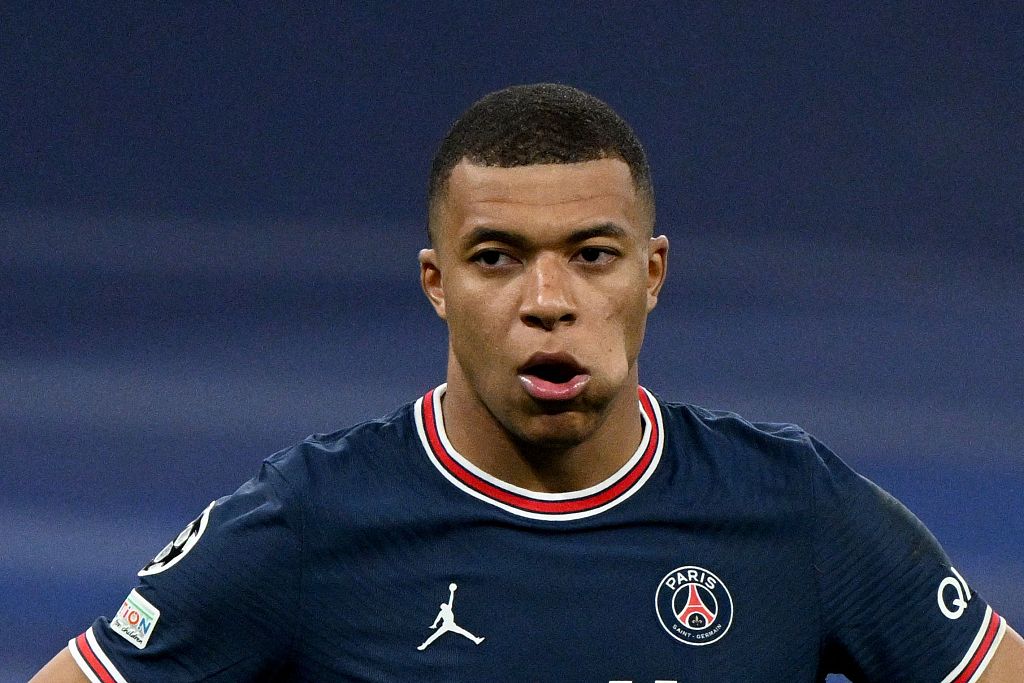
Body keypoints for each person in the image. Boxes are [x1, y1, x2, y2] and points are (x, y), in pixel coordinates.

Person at [32, 83, 1023, 682]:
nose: (547, 300)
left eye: (591, 254)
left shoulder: (795, 508)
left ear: (652, 272)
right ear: (436, 283)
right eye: (497, 256)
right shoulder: (310, 521)